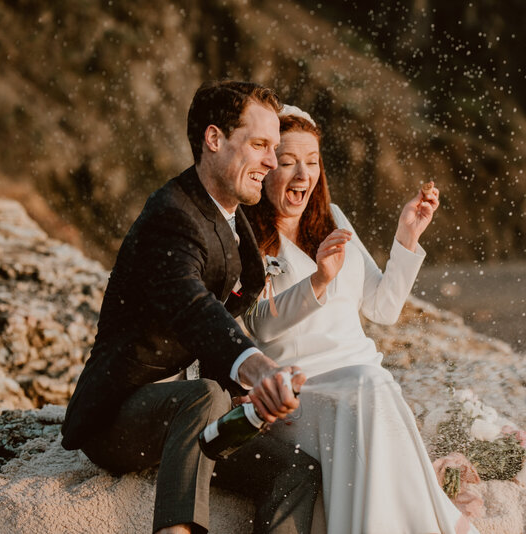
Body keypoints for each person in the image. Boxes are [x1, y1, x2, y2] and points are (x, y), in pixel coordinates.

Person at [61, 81, 321, 534]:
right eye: (260, 145)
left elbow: (236, 299)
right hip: (118, 416)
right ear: (214, 139)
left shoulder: (231, 218)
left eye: (274, 147)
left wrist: (244, 395)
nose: (271, 161)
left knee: (297, 468)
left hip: (192, 421)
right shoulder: (170, 215)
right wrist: (256, 370)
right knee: (206, 398)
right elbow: (194, 308)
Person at [243, 106, 479, 534]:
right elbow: (259, 326)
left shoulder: (333, 219)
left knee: (373, 382)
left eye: (312, 162)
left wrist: (408, 235)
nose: (303, 175)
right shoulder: (249, 236)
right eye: (289, 161)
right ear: (266, 164)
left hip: (367, 385)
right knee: (372, 383)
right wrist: (318, 280)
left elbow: (382, 308)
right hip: (302, 393)